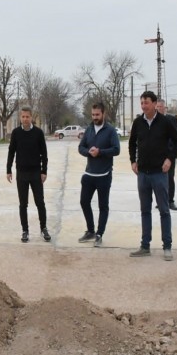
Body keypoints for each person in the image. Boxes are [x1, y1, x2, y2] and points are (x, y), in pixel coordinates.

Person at [129, 91, 177, 260]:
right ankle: (145, 246)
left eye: (146, 103)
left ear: (154, 104)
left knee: (164, 211)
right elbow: (132, 143)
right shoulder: (138, 122)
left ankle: (167, 246)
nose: (144, 106)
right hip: (143, 175)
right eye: (142, 103)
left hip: (159, 174)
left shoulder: (165, 122)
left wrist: (169, 159)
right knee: (145, 210)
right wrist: (133, 161)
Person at [77, 102, 121, 248]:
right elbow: (81, 147)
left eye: (97, 114)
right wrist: (88, 152)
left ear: (103, 114)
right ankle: (90, 230)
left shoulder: (110, 130)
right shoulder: (89, 129)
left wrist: (100, 152)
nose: (95, 117)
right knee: (84, 202)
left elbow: (116, 149)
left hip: (104, 174)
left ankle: (99, 234)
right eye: (93, 115)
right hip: (89, 174)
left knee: (103, 206)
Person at [6, 107, 50, 243]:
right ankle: (25, 230)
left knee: (40, 202)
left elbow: (44, 154)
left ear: (32, 118)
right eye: (23, 117)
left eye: (27, 117)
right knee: (23, 204)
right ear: (20, 118)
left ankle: (43, 228)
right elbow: (11, 152)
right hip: (22, 173)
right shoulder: (16, 133)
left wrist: (44, 171)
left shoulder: (38, 133)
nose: (25, 119)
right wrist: (8, 170)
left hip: (36, 173)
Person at [156, 99, 177, 211]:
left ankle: (170, 201)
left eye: (161, 106)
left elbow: (176, 139)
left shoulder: (171, 120)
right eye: (157, 106)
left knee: (170, 178)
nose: (159, 108)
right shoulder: (153, 120)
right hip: (157, 155)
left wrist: (172, 155)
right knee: (157, 179)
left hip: (169, 155)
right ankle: (160, 201)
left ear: (165, 108)